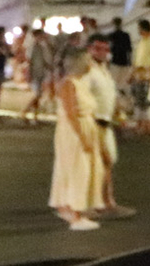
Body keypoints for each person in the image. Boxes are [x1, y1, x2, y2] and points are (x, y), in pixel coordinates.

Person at [49, 38, 114, 230]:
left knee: (86, 169)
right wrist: (82, 136)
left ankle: (74, 209)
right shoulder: (69, 84)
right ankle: (75, 215)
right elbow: (70, 113)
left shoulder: (80, 83)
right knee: (78, 170)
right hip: (73, 132)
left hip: (87, 127)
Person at [74, 34, 131, 215]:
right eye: (98, 48)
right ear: (89, 49)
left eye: (106, 49)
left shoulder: (104, 70)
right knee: (97, 163)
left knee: (107, 162)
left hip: (106, 123)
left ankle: (105, 201)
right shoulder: (86, 71)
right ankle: (96, 202)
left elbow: (109, 97)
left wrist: (118, 115)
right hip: (93, 122)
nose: (103, 52)